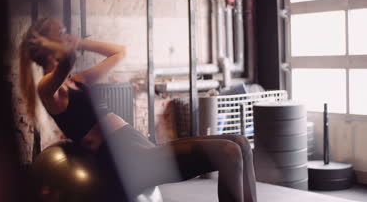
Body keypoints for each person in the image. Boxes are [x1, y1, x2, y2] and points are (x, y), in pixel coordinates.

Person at [19, 18, 257, 202]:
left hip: (139, 149)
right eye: (60, 32)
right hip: (126, 163)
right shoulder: (47, 88)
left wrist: (80, 42)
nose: (67, 34)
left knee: (241, 143)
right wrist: (66, 46)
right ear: (46, 45)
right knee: (228, 152)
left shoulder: (76, 80)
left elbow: (119, 52)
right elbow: (68, 58)